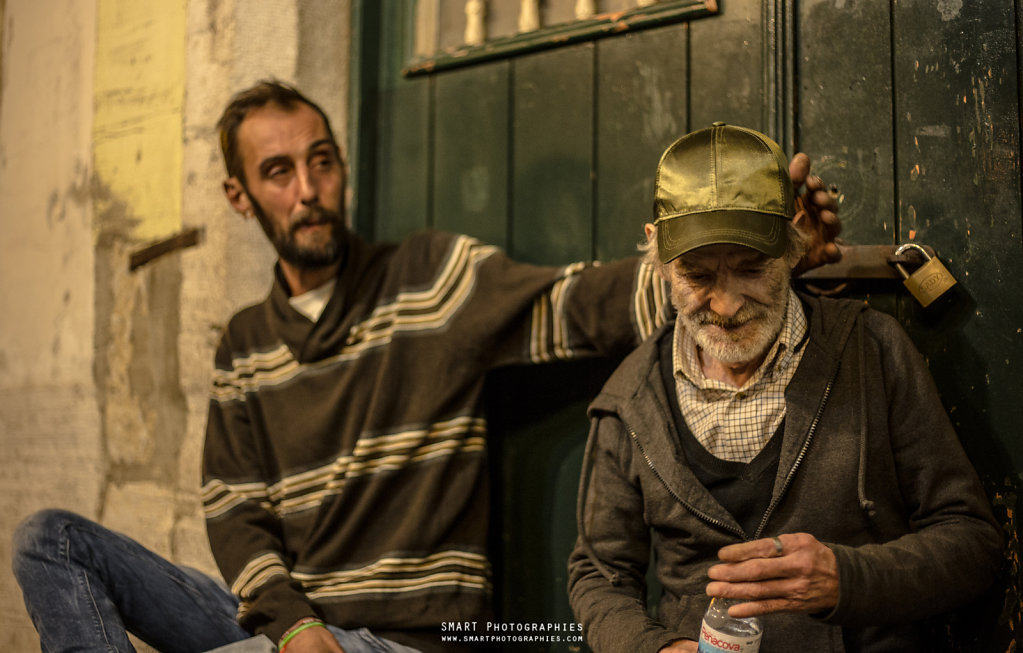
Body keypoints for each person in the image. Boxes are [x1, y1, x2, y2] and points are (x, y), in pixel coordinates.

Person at [12, 84, 839, 653]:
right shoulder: (242, 344)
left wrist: (752, 249)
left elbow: (584, 304)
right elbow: (236, 517)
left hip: (404, 638)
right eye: (278, 172)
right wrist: (297, 629)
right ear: (239, 196)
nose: (309, 189)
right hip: (292, 629)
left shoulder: (429, 280)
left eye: (322, 160)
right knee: (50, 540)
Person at [566, 122, 1003, 652]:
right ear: (659, 259)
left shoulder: (873, 351)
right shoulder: (628, 400)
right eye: (698, 276)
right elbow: (597, 574)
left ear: (796, 242)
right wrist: (651, 647)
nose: (726, 305)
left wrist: (847, 577)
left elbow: (973, 542)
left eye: (752, 268)